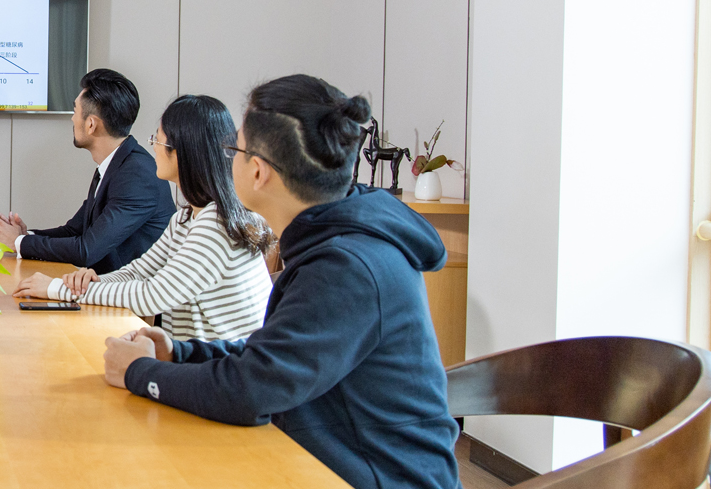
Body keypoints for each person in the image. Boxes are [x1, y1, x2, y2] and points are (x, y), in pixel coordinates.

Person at [100, 75, 459, 489]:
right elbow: (272, 357)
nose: (225, 160)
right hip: (321, 463)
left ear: (258, 171)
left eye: (233, 150)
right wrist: (178, 353)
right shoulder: (333, 242)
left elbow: (250, 390)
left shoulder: (348, 267)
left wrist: (139, 372)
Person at [15, 94, 273, 342]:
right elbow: (138, 272)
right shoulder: (185, 219)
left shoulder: (215, 224)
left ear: (180, 153)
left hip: (226, 366)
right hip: (198, 358)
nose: (153, 148)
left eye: (157, 140)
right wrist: (83, 282)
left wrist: (57, 290)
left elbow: (152, 295)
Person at [0, 68, 175, 272]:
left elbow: (86, 250)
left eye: (75, 111)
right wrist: (23, 236)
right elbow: (74, 231)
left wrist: (18, 242)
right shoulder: (117, 164)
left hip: (136, 289)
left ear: (91, 124)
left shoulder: (137, 174)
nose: (73, 119)